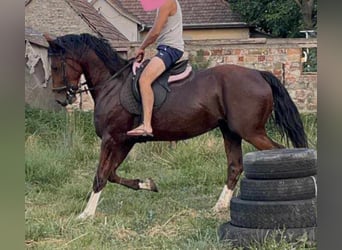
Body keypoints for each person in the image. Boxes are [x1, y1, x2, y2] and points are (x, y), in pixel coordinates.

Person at [127, 0, 184, 137]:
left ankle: (146, 125)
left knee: (145, 80)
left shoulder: (167, 3)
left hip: (170, 49)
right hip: (165, 48)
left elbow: (155, 32)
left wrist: (141, 47)